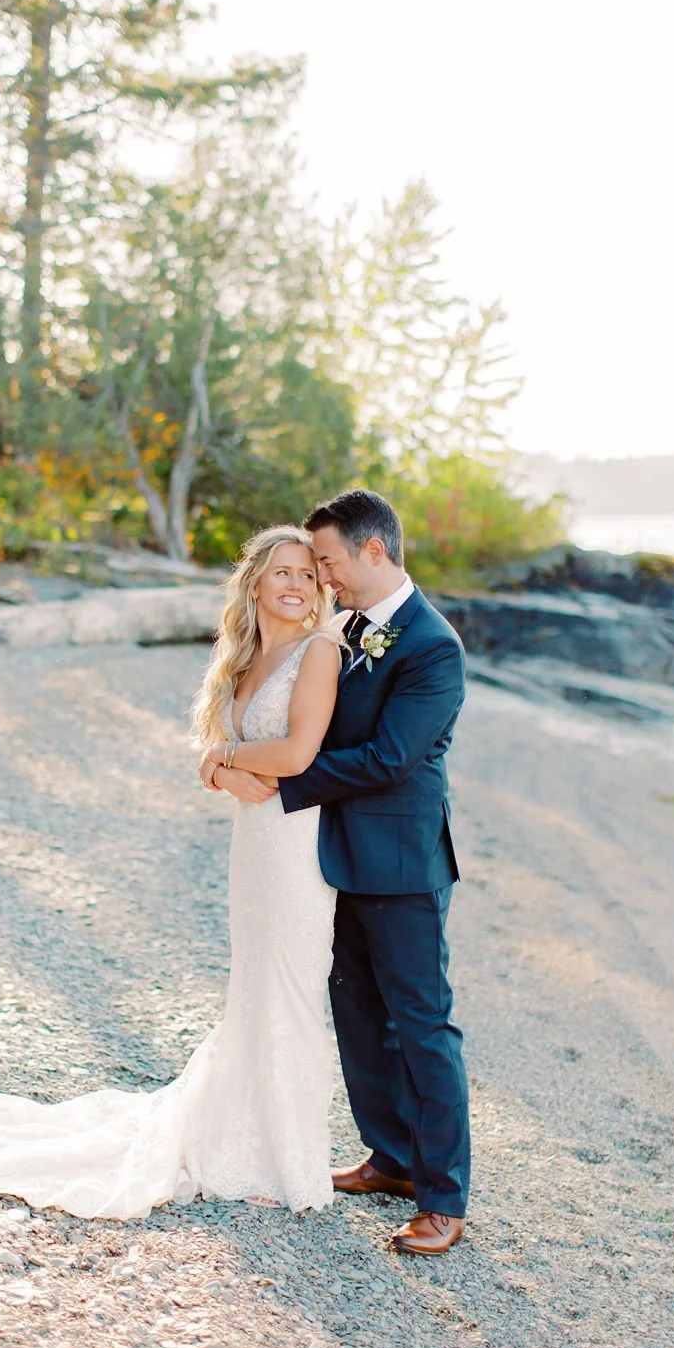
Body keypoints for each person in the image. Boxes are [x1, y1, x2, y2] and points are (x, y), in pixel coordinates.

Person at [0, 525, 346, 1218]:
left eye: (307, 575)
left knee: (290, 988)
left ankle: (289, 1159)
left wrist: (223, 762)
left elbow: (295, 755)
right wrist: (217, 766)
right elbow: (220, 745)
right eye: (283, 572)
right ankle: (248, 1140)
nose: (297, 585)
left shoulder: (319, 652)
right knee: (254, 985)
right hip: (253, 840)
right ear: (256, 582)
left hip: (295, 841)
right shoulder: (244, 657)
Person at [206, 489, 470, 1257]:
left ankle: (444, 1198)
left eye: (328, 561)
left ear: (373, 552)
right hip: (327, 858)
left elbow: (391, 758)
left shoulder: (431, 645)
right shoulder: (347, 629)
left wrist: (277, 779)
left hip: (400, 863)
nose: (323, 576)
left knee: (422, 1024)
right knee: (358, 1015)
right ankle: (389, 1157)